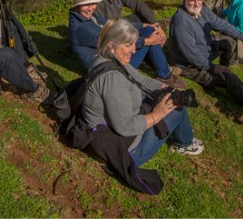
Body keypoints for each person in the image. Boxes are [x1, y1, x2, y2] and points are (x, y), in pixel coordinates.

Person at [81, 18, 204, 169]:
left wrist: (168, 89)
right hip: (127, 150)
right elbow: (125, 127)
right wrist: (156, 115)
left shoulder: (107, 59)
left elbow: (142, 80)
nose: (134, 50)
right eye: (128, 45)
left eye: (134, 44)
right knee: (177, 108)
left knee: (171, 97)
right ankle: (185, 143)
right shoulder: (113, 80)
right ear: (111, 46)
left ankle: (177, 131)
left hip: (113, 132)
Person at [166, 0, 243, 117]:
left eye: (199, 0)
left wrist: (242, 37)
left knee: (230, 41)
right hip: (190, 66)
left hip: (205, 50)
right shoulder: (181, 22)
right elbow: (191, 55)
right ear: (184, 1)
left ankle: (222, 72)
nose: (197, 4)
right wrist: (212, 67)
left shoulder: (202, 10)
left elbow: (220, 24)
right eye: (192, 1)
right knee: (230, 78)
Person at [69, 0, 183, 87]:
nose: (90, 8)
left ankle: (161, 67)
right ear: (78, 6)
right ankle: (165, 75)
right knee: (148, 35)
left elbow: (114, 25)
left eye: (93, 4)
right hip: (110, 68)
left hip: (114, 57)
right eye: (86, 5)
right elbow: (116, 42)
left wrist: (143, 25)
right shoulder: (81, 29)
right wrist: (147, 41)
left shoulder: (91, 17)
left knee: (148, 29)